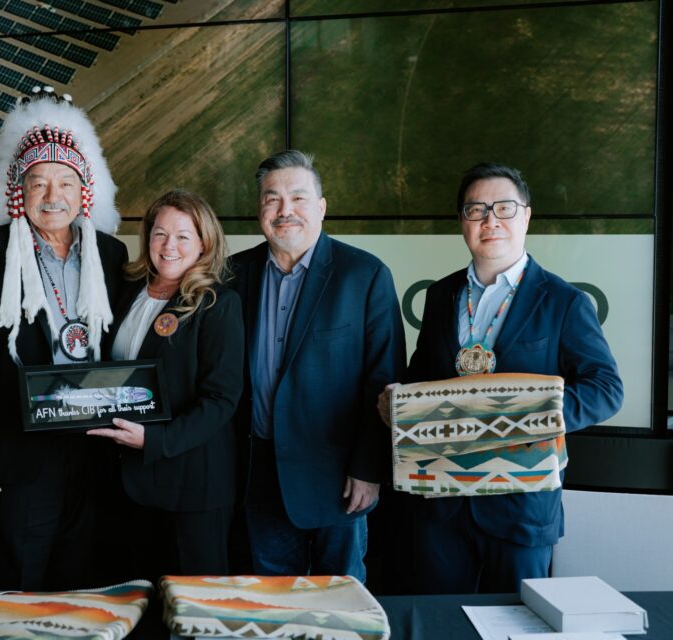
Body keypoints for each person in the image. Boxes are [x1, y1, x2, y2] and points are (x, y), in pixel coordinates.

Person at [383, 162, 623, 593]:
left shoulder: (564, 301)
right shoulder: (440, 295)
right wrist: (399, 404)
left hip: (521, 507)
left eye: (504, 208)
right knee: (442, 626)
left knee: (518, 625)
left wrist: (521, 414)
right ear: (462, 222)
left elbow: (606, 389)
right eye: (476, 210)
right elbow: (423, 377)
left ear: (527, 216)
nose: (490, 220)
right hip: (440, 502)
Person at [0, 88, 128, 591]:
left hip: (96, 449)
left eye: (65, 182)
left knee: (85, 579)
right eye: (38, 183)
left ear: (83, 191)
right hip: (17, 453)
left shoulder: (112, 255)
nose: (52, 196)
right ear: (18, 189)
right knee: (17, 580)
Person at [229, 150, 406, 579]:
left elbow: (385, 382)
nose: (285, 210)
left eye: (299, 198)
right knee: (272, 605)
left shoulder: (364, 275)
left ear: (322, 208)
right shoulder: (234, 274)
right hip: (258, 477)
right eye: (272, 199)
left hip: (339, 480)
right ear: (259, 210)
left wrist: (368, 469)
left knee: (341, 605)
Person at [88, 189, 243, 580]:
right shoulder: (127, 291)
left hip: (191, 484)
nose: (169, 245)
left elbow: (221, 400)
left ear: (204, 243)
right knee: (136, 601)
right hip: (127, 481)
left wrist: (156, 441)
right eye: (159, 234)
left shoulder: (217, 304)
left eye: (182, 236)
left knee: (194, 608)